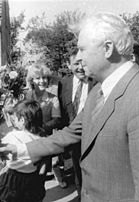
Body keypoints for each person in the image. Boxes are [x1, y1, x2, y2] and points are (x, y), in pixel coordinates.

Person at [0, 13, 139, 201]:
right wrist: (21, 149)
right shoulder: (99, 90)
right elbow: (70, 134)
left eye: (82, 49)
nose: (78, 58)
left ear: (107, 48)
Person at [56, 50, 96, 196]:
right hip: (72, 137)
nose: (80, 67)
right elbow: (61, 109)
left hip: (92, 135)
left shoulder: (96, 81)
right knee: (77, 171)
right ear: (68, 65)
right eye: (76, 63)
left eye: (82, 63)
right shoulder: (64, 83)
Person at [0, 100, 46, 202]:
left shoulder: (13, 136)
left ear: (22, 120)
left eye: (16, 118)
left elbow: (0, 151)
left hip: (12, 177)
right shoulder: (41, 140)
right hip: (32, 177)